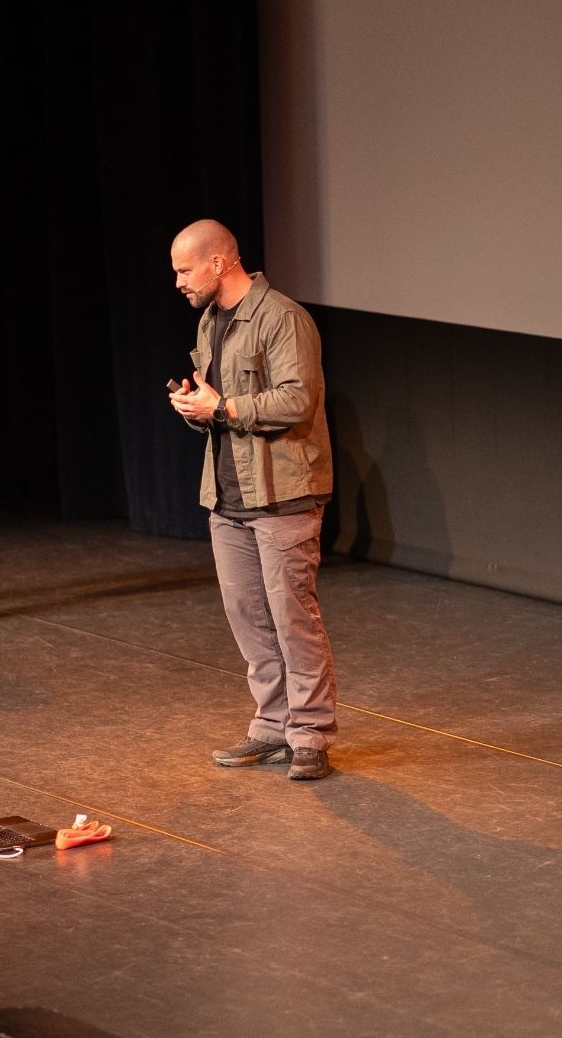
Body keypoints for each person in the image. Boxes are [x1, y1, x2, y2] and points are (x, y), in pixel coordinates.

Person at [166, 220, 339, 781]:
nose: (178, 282)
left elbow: (297, 400)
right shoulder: (209, 321)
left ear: (218, 263)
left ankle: (309, 734)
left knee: (293, 620)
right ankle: (272, 727)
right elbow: (218, 406)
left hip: (283, 495)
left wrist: (222, 408)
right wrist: (197, 409)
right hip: (227, 497)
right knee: (249, 621)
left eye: (185, 270)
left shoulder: (282, 318)